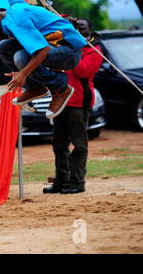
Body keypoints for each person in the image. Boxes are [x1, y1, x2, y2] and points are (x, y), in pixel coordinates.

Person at [0, 5, 87, 119]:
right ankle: (35, 88)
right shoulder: (6, 17)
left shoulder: (15, 21)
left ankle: (61, 87)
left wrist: (23, 73)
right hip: (51, 45)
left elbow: (43, 50)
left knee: (20, 58)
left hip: (69, 51)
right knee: (2, 47)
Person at [44, 18, 103, 194]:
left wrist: (73, 48)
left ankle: (77, 183)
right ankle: (61, 182)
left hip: (78, 102)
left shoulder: (94, 50)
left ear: (89, 31)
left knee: (79, 144)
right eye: (75, 27)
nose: (78, 30)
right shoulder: (67, 45)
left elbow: (82, 70)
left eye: (82, 28)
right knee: (59, 144)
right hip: (61, 100)